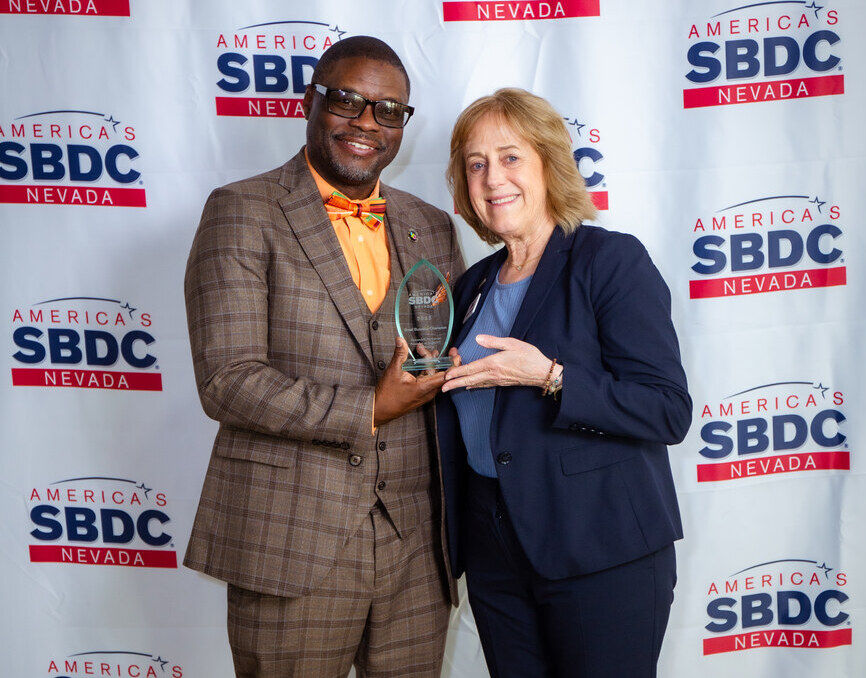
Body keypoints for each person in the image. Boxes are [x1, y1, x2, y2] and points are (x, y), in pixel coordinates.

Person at [183, 36, 463, 678]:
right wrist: (371, 406)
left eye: (388, 110)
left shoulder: (432, 225)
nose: (367, 122)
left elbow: (435, 358)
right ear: (311, 102)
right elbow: (227, 380)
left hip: (416, 548)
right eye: (347, 101)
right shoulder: (241, 210)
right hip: (290, 540)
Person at [437, 88, 691, 678]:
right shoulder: (471, 286)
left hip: (600, 547)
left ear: (549, 165)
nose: (492, 177)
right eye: (476, 164)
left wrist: (550, 376)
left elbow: (667, 410)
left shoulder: (610, 261)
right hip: (495, 548)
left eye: (510, 157)